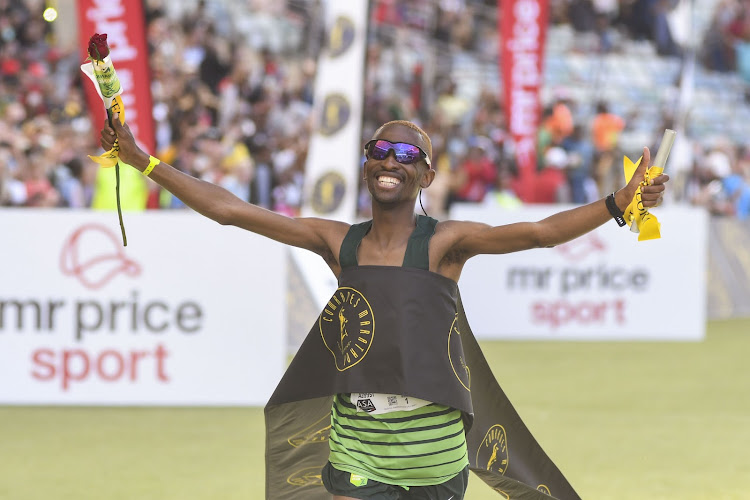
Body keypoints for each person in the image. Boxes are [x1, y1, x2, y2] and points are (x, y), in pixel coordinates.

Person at [101, 115, 668, 500]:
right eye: (378, 150)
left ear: (426, 173)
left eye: (405, 153)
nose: (388, 160)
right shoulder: (338, 242)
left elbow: (540, 232)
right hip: (357, 451)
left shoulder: (445, 243)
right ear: (367, 164)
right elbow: (231, 211)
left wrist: (619, 204)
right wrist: (143, 161)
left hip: (437, 459)